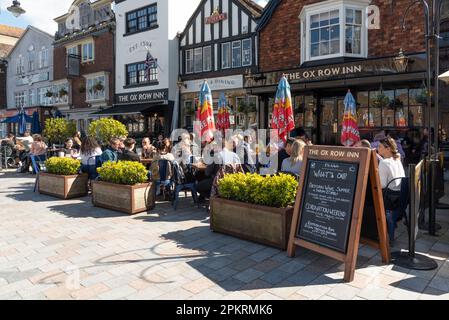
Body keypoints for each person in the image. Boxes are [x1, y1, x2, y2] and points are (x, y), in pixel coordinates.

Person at [377, 137, 405, 245]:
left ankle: (382, 234)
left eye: (380, 147)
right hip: (401, 196)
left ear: (388, 149)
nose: (377, 148)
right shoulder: (397, 159)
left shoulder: (384, 162)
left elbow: (382, 185)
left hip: (390, 199)